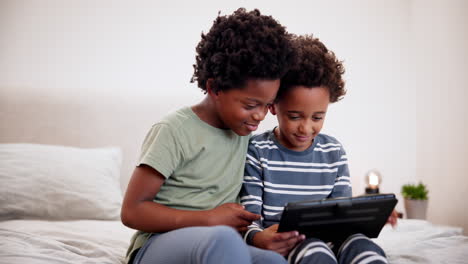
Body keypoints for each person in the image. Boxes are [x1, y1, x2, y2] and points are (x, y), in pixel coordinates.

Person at [121, 8, 298, 264]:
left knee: (274, 262)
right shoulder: (175, 129)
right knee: (222, 239)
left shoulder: (247, 135)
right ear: (214, 87)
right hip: (157, 245)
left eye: (267, 105)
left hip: (221, 246)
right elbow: (132, 211)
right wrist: (208, 219)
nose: (260, 116)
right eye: (250, 105)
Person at [240, 35, 397, 264]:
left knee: (363, 246)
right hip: (290, 241)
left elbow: (342, 211)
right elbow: (248, 217)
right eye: (294, 116)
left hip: (335, 237)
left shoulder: (333, 151)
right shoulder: (258, 151)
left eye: (317, 117)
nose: (306, 127)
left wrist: (369, 215)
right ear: (273, 105)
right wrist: (256, 237)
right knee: (314, 250)